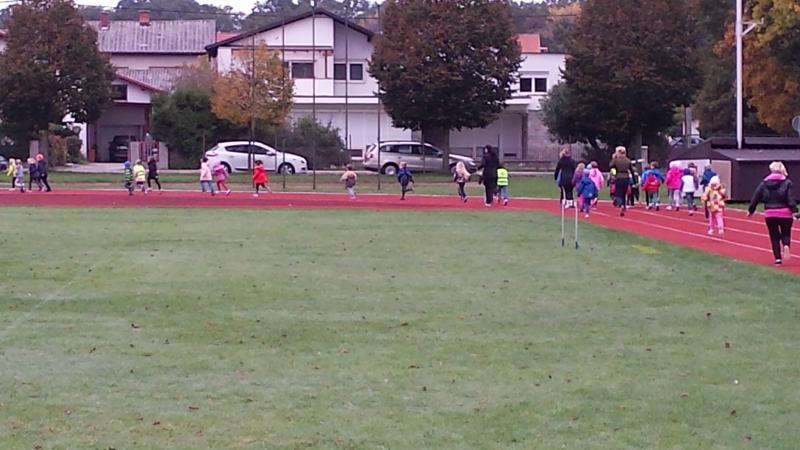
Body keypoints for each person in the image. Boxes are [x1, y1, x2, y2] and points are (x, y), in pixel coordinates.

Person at [747, 162, 800, 266]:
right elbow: (790, 198)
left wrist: (751, 210)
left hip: (770, 213)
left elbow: (756, 196)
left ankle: (778, 259)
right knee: (786, 233)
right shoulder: (787, 183)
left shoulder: (764, 183)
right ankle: (786, 244)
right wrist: (795, 211)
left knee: (774, 235)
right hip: (785, 213)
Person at [609, 146, 632, 216]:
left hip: (619, 177)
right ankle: (624, 206)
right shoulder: (628, 160)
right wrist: (634, 181)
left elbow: (611, 166)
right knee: (624, 193)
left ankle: (621, 204)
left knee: (618, 193)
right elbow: (632, 170)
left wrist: (613, 158)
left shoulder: (616, 160)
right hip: (626, 177)